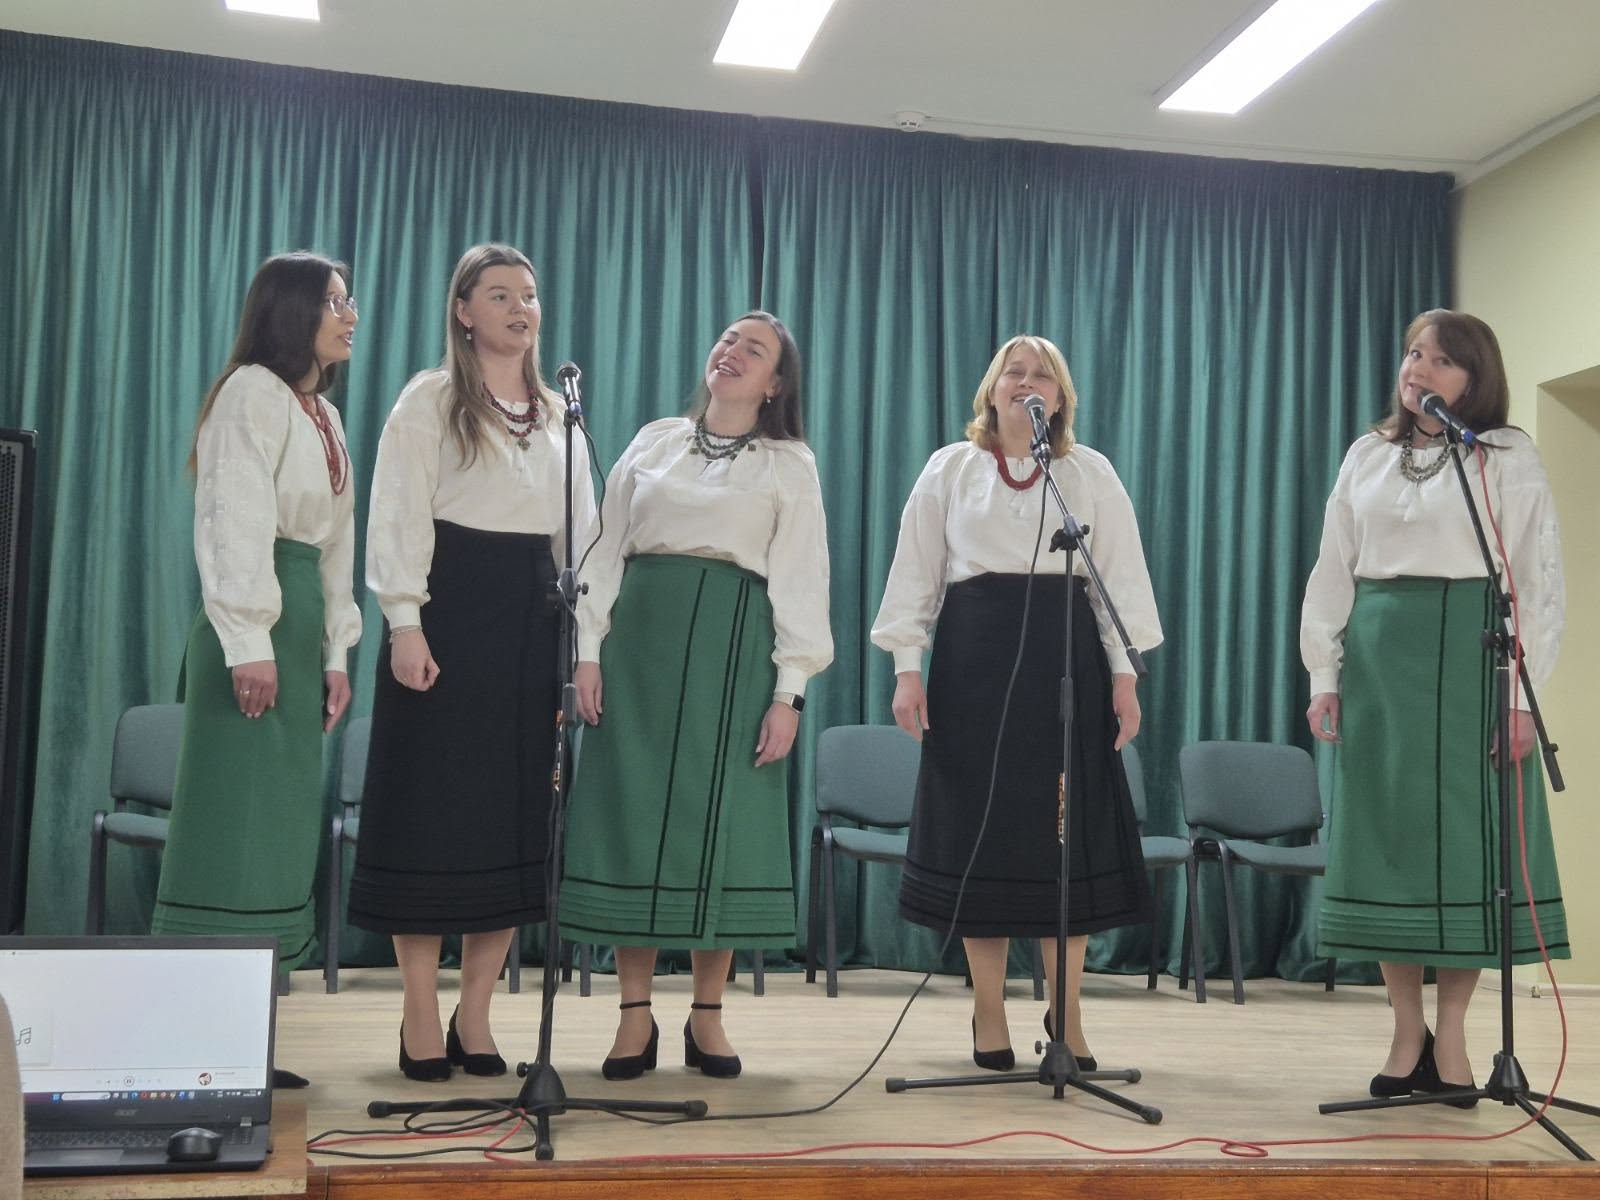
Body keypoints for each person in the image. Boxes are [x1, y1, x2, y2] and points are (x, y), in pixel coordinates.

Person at [871, 334, 1161, 1072]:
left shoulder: (1086, 472)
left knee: (1067, 839)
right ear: (991, 388)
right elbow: (915, 575)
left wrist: (1124, 677)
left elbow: (1118, 580)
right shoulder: (951, 468)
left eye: (1042, 376)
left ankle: (1068, 1013)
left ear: (1059, 399)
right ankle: (989, 1010)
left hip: (1067, 666)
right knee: (984, 833)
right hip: (974, 664)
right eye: (1014, 372)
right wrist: (907, 668)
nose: (1026, 383)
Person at [1302, 309, 1568, 1104]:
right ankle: (1405, 1027)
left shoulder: (1505, 456)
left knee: (1466, 851)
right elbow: (1333, 568)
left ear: (1473, 378)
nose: (1418, 368)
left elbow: (1536, 582)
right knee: (1391, 842)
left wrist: (1521, 698)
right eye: (1413, 353)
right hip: (1382, 666)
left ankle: (1452, 1032)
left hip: (1474, 661)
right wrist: (1324, 674)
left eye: (1441, 360)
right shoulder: (1368, 454)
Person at [561, 311, 832, 1080]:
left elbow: (802, 578)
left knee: (726, 826)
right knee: (632, 818)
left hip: (734, 657)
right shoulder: (655, 442)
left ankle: (707, 1015)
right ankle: (633, 1016)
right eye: (727, 339)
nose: (732, 351)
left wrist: (789, 693)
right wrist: (588, 651)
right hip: (637, 652)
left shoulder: (788, 464)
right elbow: (602, 549)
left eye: (755, 348)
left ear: (775, 383)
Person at [347, 245, 595, 1082]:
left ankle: (476, 1014)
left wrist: (581, 646)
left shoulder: (560, 415)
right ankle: (421, 1011)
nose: (521, 308)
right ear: (463, 311)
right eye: (499, 295)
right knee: (429, 815)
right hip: (447, 612)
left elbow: (581, 538)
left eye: (529, 294)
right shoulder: (430, 399)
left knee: (514, 820)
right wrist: (404, 623)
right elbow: (397, 514)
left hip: (532, 620)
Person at [153, 251, 361, 990]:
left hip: (300, 626)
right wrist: (248, 642)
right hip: (253, 627)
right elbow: (232, 518)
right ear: (291, 311)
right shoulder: (250, 391)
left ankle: (261, 993)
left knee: (278, 821)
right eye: (334, 302)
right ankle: (199, 992)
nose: (350, 316)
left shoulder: (326, 416)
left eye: (349, 301)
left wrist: (335, 655)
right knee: (230, 816)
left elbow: (337, 546)